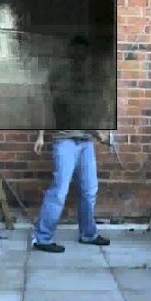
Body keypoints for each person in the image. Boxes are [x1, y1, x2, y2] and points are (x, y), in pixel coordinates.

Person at [31, 35, 111, 253]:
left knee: (90, 190)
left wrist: (98, 133)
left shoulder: (88, 79)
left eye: (83, 53)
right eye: (76, 52)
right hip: (64, 141)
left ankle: (88, 234)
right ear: (71, 52)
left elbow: (88, 113)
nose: (79, 56)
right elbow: (46, 105)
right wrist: (40, 135)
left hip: (86, 143)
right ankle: (42, 238)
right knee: (59, 191)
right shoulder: (59, 76)